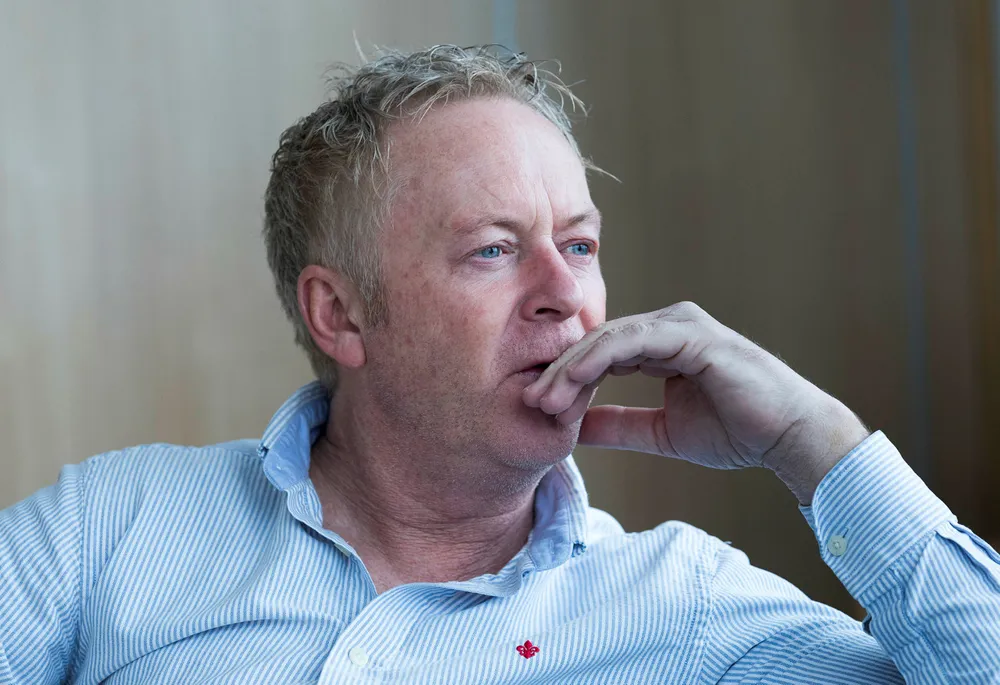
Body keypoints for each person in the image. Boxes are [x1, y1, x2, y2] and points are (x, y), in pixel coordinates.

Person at [1, 45, 998, 685]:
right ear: (340, 314)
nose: (565, 292)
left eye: (580, 243)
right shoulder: (108, 529)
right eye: (491, 248)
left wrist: (814, 442)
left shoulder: (681, 605)